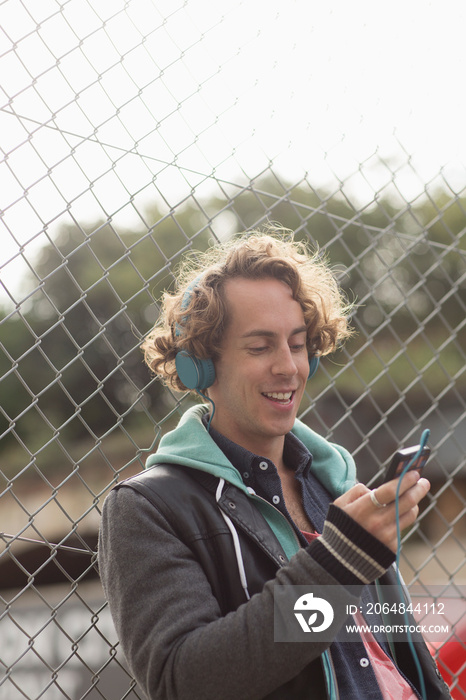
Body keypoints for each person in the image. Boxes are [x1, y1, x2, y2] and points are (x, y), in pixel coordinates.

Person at [98, 231, 450, 699]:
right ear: (201, 366)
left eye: (298, 344)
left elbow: (394, 650)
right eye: (261, 347)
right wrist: (337, 564)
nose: (289, 367)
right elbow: (183, 680)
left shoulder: (335, 483)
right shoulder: (147, 509)